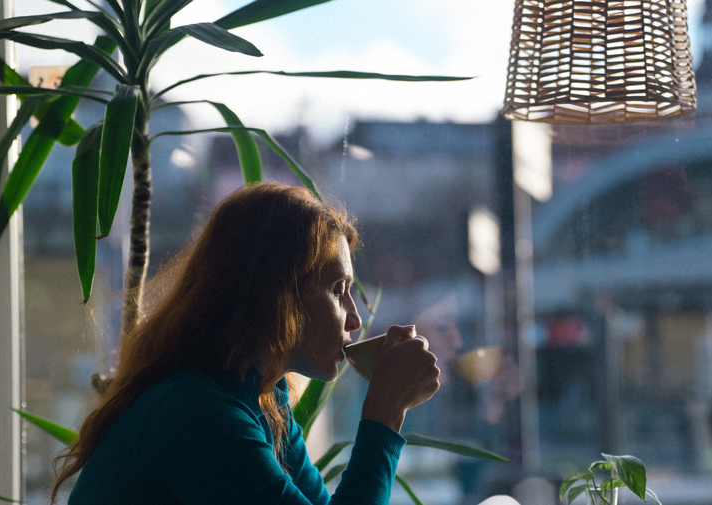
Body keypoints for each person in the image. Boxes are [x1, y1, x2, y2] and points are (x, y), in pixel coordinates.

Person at [53, 182, 441, 504]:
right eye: (338, 289)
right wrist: (386, 412)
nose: (354, 319)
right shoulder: (196, 415)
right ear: (278, 293)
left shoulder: (263, 400)